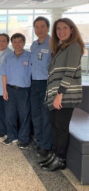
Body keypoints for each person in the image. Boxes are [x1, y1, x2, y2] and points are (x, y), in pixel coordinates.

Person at [40, 18, 84, 171]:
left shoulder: (74, 47)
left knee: (61, 126)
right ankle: (54, 154)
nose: (61, 31)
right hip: (55, 95)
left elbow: (69, 73)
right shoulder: (61, 48)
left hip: (65, 96)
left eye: (65, 28)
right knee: (54, 125)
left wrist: (60, 95)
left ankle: (60, 159)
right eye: (58, 29)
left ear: (72, 29)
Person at [0, 33, 31, 149]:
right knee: (9, 115)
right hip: (10, 89)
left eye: (20, 42)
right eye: (15, 42)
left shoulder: (29, 56)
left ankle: (24, 139)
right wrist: (4, 90)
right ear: (11, 43)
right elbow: (3, 74)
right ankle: (11, 136)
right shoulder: (8, 57)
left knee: (24, 115)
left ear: (24, 43)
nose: (17, 44)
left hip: (24, 91)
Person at [30, 16, 52, 158]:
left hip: (47, 83)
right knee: (36, 114)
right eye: (37, 27)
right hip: (34, 83)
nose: (39, 29)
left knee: (46, 115)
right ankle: (38, 140)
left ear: (48, 28)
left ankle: (46, 145)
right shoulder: (34, 44)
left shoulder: (53, 44)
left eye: (42, 26)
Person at [0, 33, 13, 140]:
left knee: (9, 112)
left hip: (7, 88)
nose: (1, 43)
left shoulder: (11, 54)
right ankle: (2, 131)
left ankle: (10, 133)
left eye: (4, 41)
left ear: (8, 42)